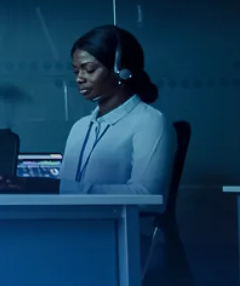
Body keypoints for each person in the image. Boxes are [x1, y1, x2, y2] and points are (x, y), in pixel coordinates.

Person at [62, 25, 176, 195]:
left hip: (118, 222)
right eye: (76, 71)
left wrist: (73, 191)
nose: (79, 78)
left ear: (122, 71)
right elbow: (63, 192)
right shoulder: (80, 127)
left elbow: (147, 194)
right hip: (73, 221)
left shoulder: (149, 122)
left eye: (89, 69)